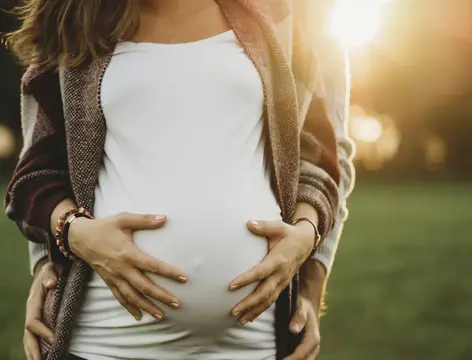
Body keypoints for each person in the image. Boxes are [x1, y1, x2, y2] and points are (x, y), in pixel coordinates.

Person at [5, 1, 354, 359]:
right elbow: (37, 172)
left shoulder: (278, 20)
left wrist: (305, 237)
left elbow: (317, 158)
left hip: (252, 345)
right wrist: (70, 235)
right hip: (105, 340)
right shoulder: (78, 20)